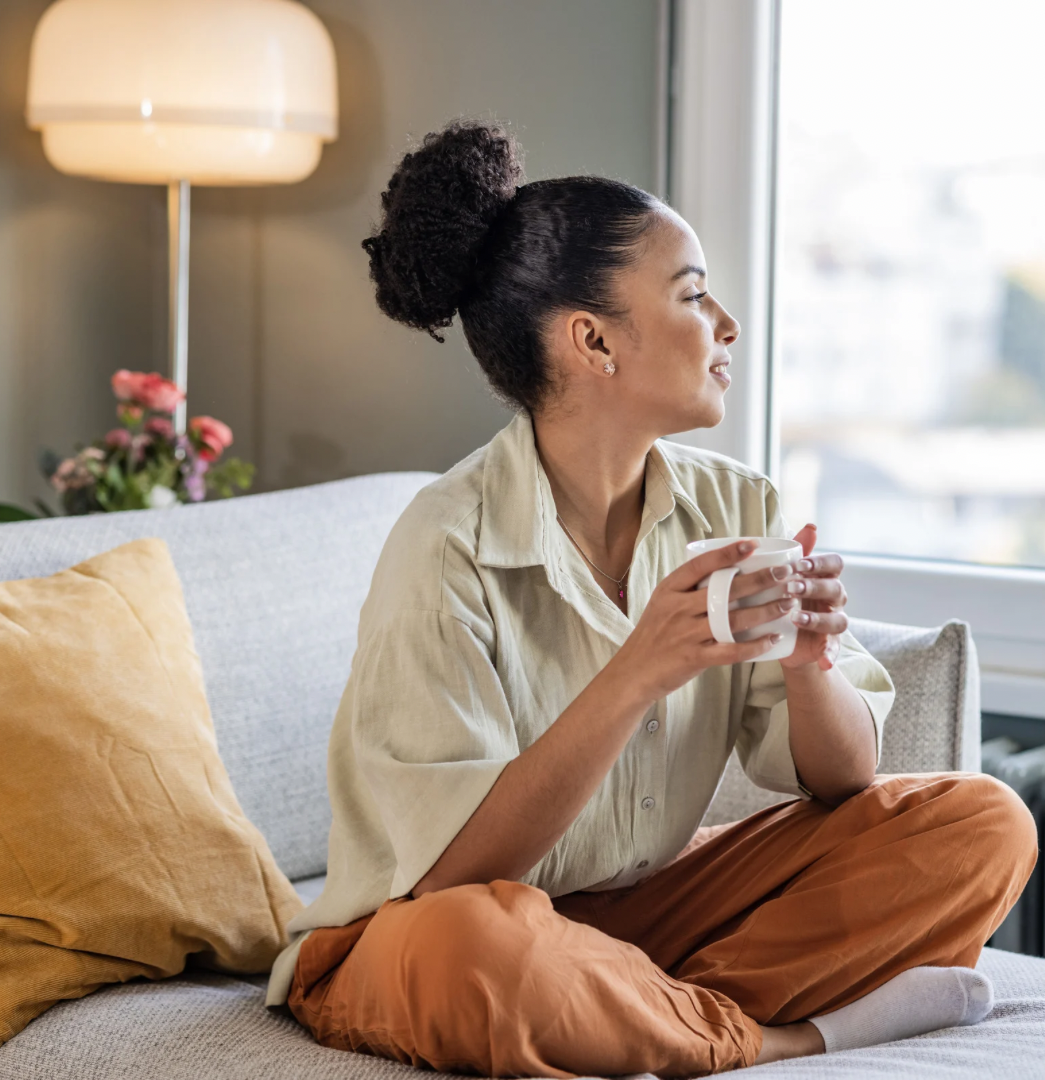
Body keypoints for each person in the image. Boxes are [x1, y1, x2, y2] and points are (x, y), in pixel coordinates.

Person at [265, 120, 1038, 1077]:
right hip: (418, 930)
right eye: (692, 294)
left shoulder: (733, 503)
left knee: (984, 822)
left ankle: (626, 1009)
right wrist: (639, 671)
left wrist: (809, 662)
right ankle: (773, 1037)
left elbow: (842, 783)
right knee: (484, 949)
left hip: (644, 913)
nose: (727, 325)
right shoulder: (445, 544)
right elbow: (452, 875)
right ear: (592, 340)